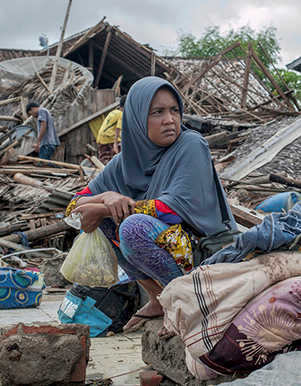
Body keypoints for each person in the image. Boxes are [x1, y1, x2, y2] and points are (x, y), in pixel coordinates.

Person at [65, 76, 236, 334]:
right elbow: (73, 210)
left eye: (174, 110)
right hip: (173, 251)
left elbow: (171, 210)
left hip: (206, 252)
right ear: (136, 119)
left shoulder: (191, 145)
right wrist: (105, 197)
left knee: (133, 227)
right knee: (103, 222)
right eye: (158, 112)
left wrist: (102, 207)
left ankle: (184, 300)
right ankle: (157, 297)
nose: (169, 119)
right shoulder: (123, 163)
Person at [96, 95, 126, 164]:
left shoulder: (113, 112)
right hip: (110, 137)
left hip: (101, 138)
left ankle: (106, 168)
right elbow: (118, 129)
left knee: (105, 158)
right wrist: (115, 144)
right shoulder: (121, 114)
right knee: (121, 154)